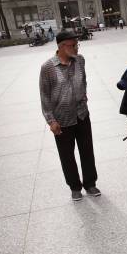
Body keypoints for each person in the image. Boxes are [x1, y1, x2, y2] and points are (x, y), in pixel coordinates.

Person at [39, 30, 100, 201]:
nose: (76, 48)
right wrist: (51, 121)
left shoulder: (80, 60)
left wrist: (84, 94)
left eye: (76, 44)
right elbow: (44, 96)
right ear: (61, 47)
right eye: (73, 45)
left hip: (81, 114)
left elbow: (84, 80)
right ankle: (74, 187)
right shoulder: (48, 68)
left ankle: (90, 183)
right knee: (67, 155)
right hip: (62, 118)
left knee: (87, 150)